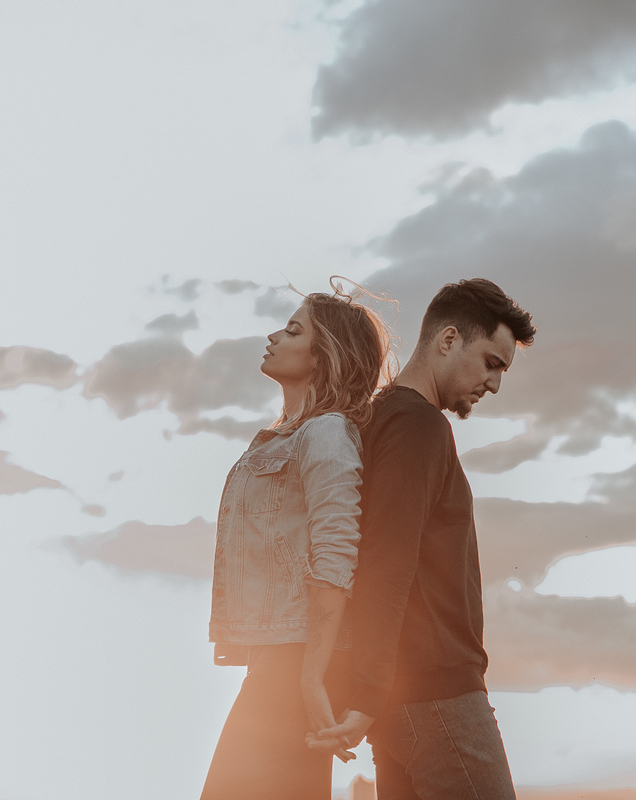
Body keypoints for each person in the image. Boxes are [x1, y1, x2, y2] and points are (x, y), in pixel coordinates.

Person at [308, 278, 536, 800]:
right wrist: (368, 693)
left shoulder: (381, 417)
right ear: (448, 339)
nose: (494, 384)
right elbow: (386, 561)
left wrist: (372, 694)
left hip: (403, 699)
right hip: (438, 695)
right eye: (491, 363)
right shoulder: (418, 425)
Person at [200, 286, 392, 800]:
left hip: (300, 658)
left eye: (292, 330)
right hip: (281, 654)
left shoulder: (327, 432)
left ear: (323, 355)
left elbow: (336, 552)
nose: (273, 337)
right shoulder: (289, 435)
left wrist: (311, 678)